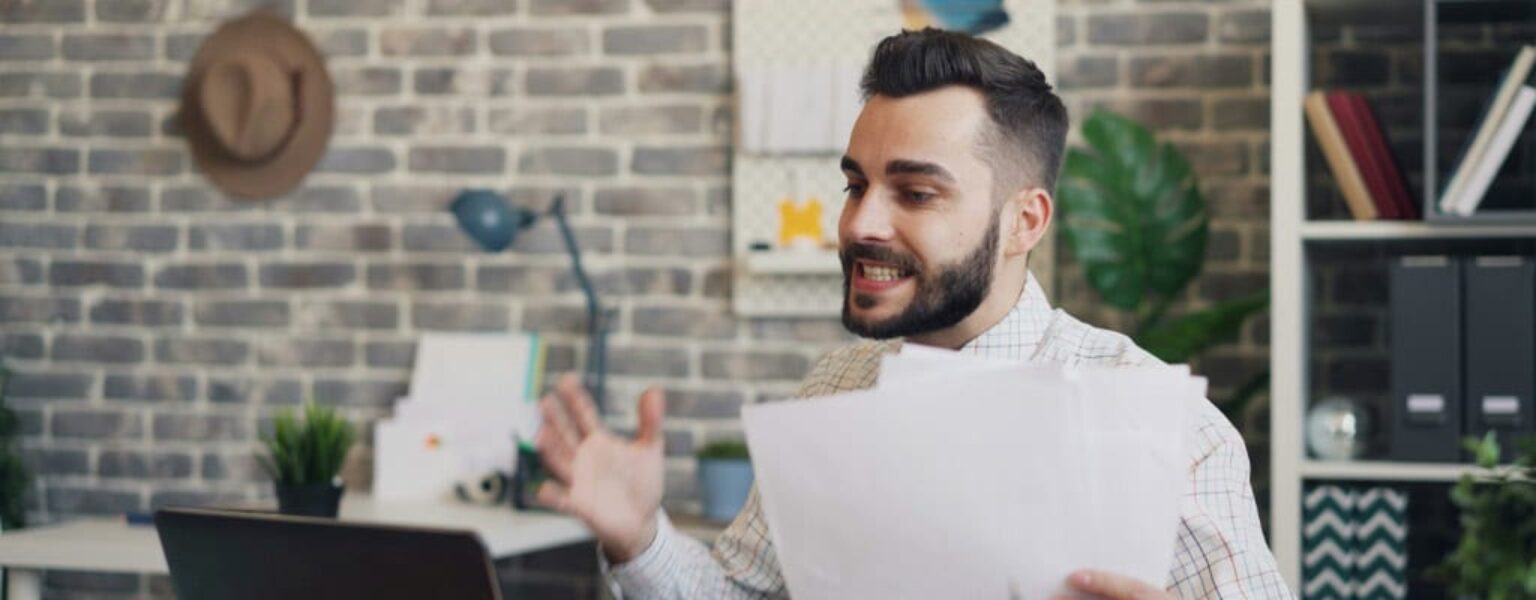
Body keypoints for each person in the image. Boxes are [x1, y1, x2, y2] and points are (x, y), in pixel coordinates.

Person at [533, 28, 1291, 599]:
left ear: (1025, 222)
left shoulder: (1157, 424)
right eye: (856, 185)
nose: (863, 223)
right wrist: (640, 538)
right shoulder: (837, 387)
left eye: (916, 192)